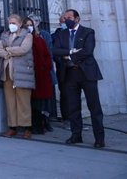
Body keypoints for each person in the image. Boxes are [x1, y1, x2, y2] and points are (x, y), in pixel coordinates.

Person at [53, 9, 105, 148]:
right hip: (70, 74)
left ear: (77, 19)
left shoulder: (88, 32)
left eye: (69, 17)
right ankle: (76, 135)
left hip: (87, 73)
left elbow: (88, 51)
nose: (66, 19)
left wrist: (69, 57)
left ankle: (99, 138)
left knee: (94, 106)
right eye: (65, 17)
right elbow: (55, 50)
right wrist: (71, 52)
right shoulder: (61, 34)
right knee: (73, 107)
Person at [0, 14, 34, 139]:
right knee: (10, 101)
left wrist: (8, 50)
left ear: (20, 23)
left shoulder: (27, 35)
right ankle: (12, 127)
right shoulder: (5, 35)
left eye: (13, 23)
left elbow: (23, 49)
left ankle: (27, 127)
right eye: (9, 23)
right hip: (7, 72)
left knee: (23, 101)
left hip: (22, 72)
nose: (11, 25)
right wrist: (9, 52)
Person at [25, 16, 53, 135]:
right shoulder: (22, 40)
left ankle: (41, 124)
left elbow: (47, 55)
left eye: (30, 25)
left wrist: (46, 67)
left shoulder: (40, 39)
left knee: (39, 101)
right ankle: (31, 125)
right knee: (29, 101)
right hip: (27, 73)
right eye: (26, 25)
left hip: (40, 74)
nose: (29, 27)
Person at [51, 12, 68, 123]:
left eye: (66, 20)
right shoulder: (55, 35)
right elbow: (53, 51)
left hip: (76, 68)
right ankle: (66, 117)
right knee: (64, 93)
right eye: (62, 20)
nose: (64, 22)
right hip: (62, 67)